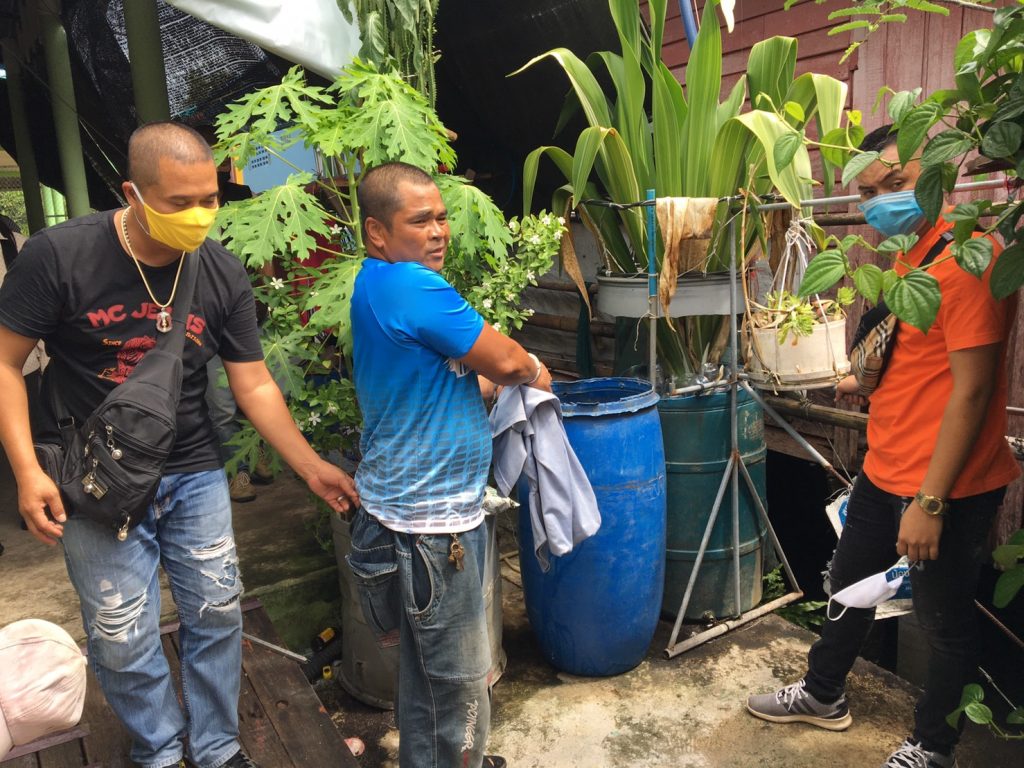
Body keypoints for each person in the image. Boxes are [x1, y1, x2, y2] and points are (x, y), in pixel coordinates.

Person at [0, 121, 359, 768]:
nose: (199, 215)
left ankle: (217, 747)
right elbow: (5, 362)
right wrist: (27, 470)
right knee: (119, 631)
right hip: (96, 475)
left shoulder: (220, 271)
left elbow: (253, 383)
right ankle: (159, 749)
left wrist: (309, 466)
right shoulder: (59, 257)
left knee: (217, 611)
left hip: (193, 468)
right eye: (180, 202)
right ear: (132, 194)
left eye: (210, 199)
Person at [745, 124, 1020, 768]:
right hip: (884, 465)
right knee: (847, 584)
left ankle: (933, 746)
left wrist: (931, 502)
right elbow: (919, 354)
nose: (879, 202)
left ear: (937, 173)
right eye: (868, 192)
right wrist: (858, 381)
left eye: (894, 183)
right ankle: (822, 694)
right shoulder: (910, 255)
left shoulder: (969, 260)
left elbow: (974, 391)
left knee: (943, 621)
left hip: (946, 484)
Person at [347, 161, 552, 768]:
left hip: (394, 515)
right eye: (420, 221)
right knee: (461, 686)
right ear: (377, 232)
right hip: (434, 530)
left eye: (441, 218)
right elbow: (508, 361)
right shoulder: (414, 286)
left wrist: (490, 385)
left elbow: (436, 382)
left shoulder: (374, 284)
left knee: (425, 678)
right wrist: (535, 371)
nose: (438, 231)